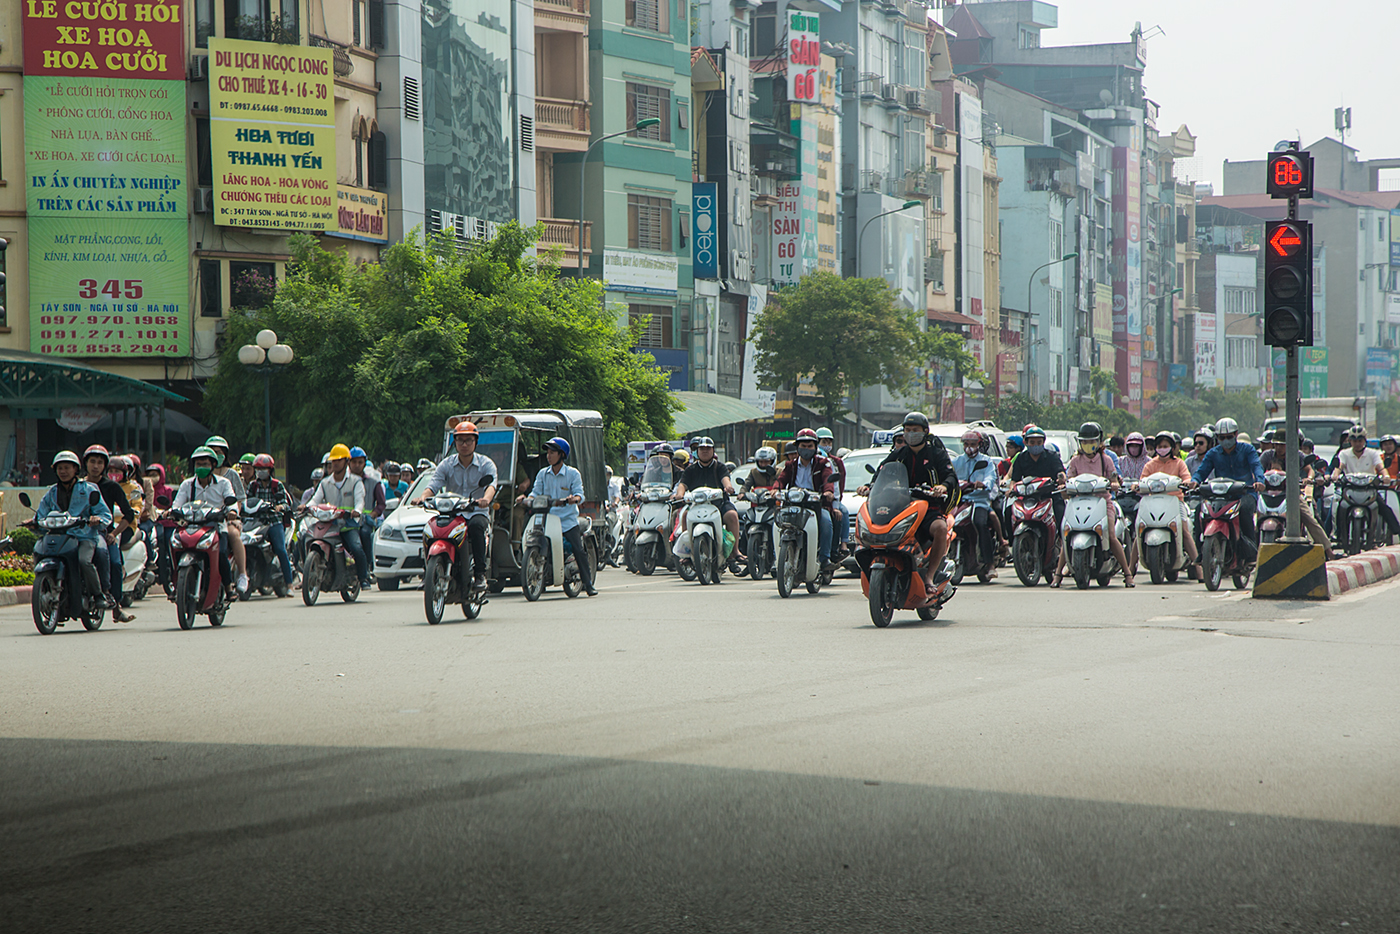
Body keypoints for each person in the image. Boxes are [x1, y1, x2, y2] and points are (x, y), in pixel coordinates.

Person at [859, 412, 958, 591]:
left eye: (915, 430)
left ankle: (929, 577)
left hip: (929, 507)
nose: (910, 434)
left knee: (940, 528)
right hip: (902, 506)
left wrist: (943, 487)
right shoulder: (899, 454)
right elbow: (881, 472)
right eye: (907, 430)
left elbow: (950, 475)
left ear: (925, 432)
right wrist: (869, 487)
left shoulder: (936, 454)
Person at [415, 422, 499, 589]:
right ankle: (428, 571)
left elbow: (491, 485)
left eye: (469, 440)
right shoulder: (446, 464)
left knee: (475, 528)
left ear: (476, 442)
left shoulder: (486, 464)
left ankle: (480, 574)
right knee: (430, 529)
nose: (465, 444)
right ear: (455, 443)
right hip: (453, 514)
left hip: (476, 512)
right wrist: (423, 497)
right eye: (460, 440)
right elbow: (433, 485)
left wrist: (486, 499)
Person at [1056, 422, 1134, 588]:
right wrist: (1063, 485)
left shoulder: (1106, 460)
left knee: (1112, 537)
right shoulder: (1075, 461)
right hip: (1078, 502)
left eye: (1092, 441)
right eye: (1084, 441)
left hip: (1102, 502)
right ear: (1080, 443)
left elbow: (1114, 478)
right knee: (1067, 535)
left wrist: (1114, 483)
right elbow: (1069, 479)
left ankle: (1127, 574)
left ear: (1099, 443)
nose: (1088, 445)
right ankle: (1057, 575)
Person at [517, 436, 596, 596]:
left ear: (561, 455)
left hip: (567, 520)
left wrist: (574, 499)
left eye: (552, 452)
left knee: (578, 550)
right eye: (548, 452)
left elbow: (580, 494)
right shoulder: (542, 474)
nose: (548, 455)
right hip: (546, 519)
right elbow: (535, 492)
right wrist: (526, 499)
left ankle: (588, 584)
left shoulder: (572, 473)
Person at [36, 450, 112, 613]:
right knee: (39, 550)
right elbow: (41, 513)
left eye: (67, 468)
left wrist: (96, 519)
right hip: (59, 536)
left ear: (76, 470)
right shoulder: (51, 492)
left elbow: (105, 514)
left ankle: (98, 595)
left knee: (84, 561)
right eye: (60, 468)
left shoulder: (89, 489)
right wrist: (35, 521)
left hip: (84, 536)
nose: (63, 471)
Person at [1191, 417, 1265, 563]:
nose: (1225, 440)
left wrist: (1259, 481)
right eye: (1221, 438)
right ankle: (1201, 550)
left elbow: (1257, 466)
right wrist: (1194, 481)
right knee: (1200, 509)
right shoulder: (1213, 453)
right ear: (1217, 438)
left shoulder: (1247, 450)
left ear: (1236, 434)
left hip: (1245, 493)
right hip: (1221, 496)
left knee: (1244, 510)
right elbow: (1202, 471)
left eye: (1228, 437)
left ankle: (1250, 552)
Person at [170, 446, 239, 599]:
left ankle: (228, 587)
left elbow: (232, 503)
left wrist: (232, 512)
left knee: (221, 553)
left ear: (213, 465)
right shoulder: (187, 484)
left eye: (205, 464)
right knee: (174, 547)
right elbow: (177, 504)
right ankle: (174, 585)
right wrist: (171, 511)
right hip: (191, 527)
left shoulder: (224, 483)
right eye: (198, 464)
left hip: (216, 527)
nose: (201, 468)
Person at [82, 445, 137, 620]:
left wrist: (113, 534)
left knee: (114, 563)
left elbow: (129, 514)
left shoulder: (112, 486)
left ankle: (117, 606)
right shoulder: (79, 485)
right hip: (79, 533)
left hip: (104, 534)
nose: (95, 466)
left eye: (100, 462)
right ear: (85, 464)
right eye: (92, 461)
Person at [307, 443, 372, 589]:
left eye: (338, 460)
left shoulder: (356, 481)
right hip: (330, 524)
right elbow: (315, 500)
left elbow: (359, 501)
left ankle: (363, 578)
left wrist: (357, 511)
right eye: (333, 461)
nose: (335, 464)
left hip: (348, 525)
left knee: (356, 548)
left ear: (346, 462)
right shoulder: (325, 482)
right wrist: (306, 507)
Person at [773, 429, 838, 571]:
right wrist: (775, 489)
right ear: (797, 447)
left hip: (816, 505)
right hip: (794, 503)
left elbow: (828, 479)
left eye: (810, 446)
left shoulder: (823, 463)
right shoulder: (790, 465)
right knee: (777, 523)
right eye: (803, 446)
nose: (806, 449)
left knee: (826, 522)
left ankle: (825, 558)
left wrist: (828, 491)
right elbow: (781, 479)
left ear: (815, 447)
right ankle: (776, 559)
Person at [672, 436, 744, 561]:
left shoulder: (720, 467)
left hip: (719, 504)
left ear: (713, 451)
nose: (705, 451)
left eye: (708, 448)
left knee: (732, 515)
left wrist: (728, 487)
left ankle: (735, 551)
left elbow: (725, 479)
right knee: (684, 516)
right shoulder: (690, 469)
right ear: (697, 452)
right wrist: (679, 494)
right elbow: (683, 484)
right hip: (697, 505)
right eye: (702, 449)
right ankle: (688, 552)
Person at [1141, 430, 1201, 574]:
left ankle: (1199, 570)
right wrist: (1136, 486)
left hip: (1176, 502)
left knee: (1185, 531)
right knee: (1141, 529)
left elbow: (1187, 477)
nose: (1162, 448)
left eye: (1165, 445)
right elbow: (1142, 480)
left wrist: (1187, 483)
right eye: (1160, 446)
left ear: (1172, 447)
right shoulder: (1150, 465)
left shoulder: (1179, 463)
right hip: (1153, 502)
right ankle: (1130, 571)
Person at [1331, 426, 1400, 542]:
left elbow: (1381, 467)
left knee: (1384, 508)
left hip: (1369, 489)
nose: (1357, 443)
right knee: (1340, 508)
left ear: (1364, 440)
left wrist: (1386, 476)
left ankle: (1396, 531)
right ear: (1350, 441)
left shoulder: (1373, 453)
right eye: (1354, 441)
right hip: (1349, 489)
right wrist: (1335, 475)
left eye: (1360, 440)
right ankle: (1339, 535)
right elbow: (1339, 466)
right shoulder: (1344, 453)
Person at [952, 429, 1002, 573]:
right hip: (960, 501)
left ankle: (989, 562)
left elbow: (990, 478)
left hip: (979, 502)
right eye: (966, 444)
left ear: (979, 445)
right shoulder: (957, 461)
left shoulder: (986, 461)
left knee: (980, 523)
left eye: (973, 444)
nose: (969, 447)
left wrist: (984, 484)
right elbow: (950, 477)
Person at [245, 454, 296, 592]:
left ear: (270, 470)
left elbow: (285, 503)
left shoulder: (277, 485)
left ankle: (289, 584)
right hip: (256, 522)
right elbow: (247, 502)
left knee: (280, 549)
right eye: (258, 469)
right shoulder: (252, 486)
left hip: (274, 522)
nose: (260, 472)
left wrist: (280, 507)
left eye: (264, 469)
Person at [204, 436, 248, 592]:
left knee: (233, 535)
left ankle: (242, 574)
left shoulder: (230, 476)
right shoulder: (199, 476)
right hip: (202, 520)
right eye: (213, 452)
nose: (217, 455)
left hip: (225, 520)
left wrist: (234, 515)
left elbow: (239, 500)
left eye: (219, 452)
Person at [1009, 425, 1068, 536]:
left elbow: (1060, 473)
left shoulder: (1052, 456)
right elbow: (1015, 480)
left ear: (1043, 442)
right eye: (1032, 442)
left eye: (1039, 442)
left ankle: (1063, 546)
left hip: (1050, 495)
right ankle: (1010, 543)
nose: (1035, 445)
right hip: (1027, 497)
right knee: (1008, 511)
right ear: (1026, 443)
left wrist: (1061, 480)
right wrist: (1011, 489)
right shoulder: (1021, 458)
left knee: (1061, 514)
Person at [349, 446, 383, 580]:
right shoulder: (342, 482)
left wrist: (372, 515)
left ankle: (368, 567)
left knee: (364, 534)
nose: (357, 465)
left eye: (360, 462)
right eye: (354, 462)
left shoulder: (373, 483)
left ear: (365, 463)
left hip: (365, 521)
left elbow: (381, 504)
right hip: (345, 520)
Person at [817, 427, 850, 560]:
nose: (827, 445)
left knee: (841, 513)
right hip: (810, 500)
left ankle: (841, 546)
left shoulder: (834, 462)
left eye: (829, 442)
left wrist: (834, 501)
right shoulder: (799, 463)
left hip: (830, 500)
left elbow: (837, 485)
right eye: (823, 442)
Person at [146, 462, 177, 593]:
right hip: (153, 523)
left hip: (168, 524)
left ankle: (174, 567)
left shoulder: (168, 491)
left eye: (155, 475)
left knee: (172, 543)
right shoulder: (146, 490)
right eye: (150, 475)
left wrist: (167, 512)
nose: (153, 477)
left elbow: (174, 505)